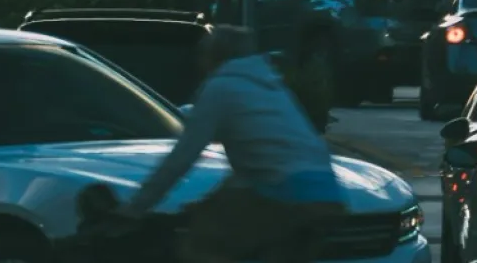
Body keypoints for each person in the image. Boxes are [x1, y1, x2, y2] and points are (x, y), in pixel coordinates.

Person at [117, 26, 347, 263]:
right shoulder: (269, 85)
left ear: (214, 56)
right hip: (326, 195)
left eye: (201, 54)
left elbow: (182, 157)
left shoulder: (220, 87)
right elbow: (255, 167)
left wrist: (134, 209)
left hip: (283, 194)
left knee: (199, 248)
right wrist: (207, 202)